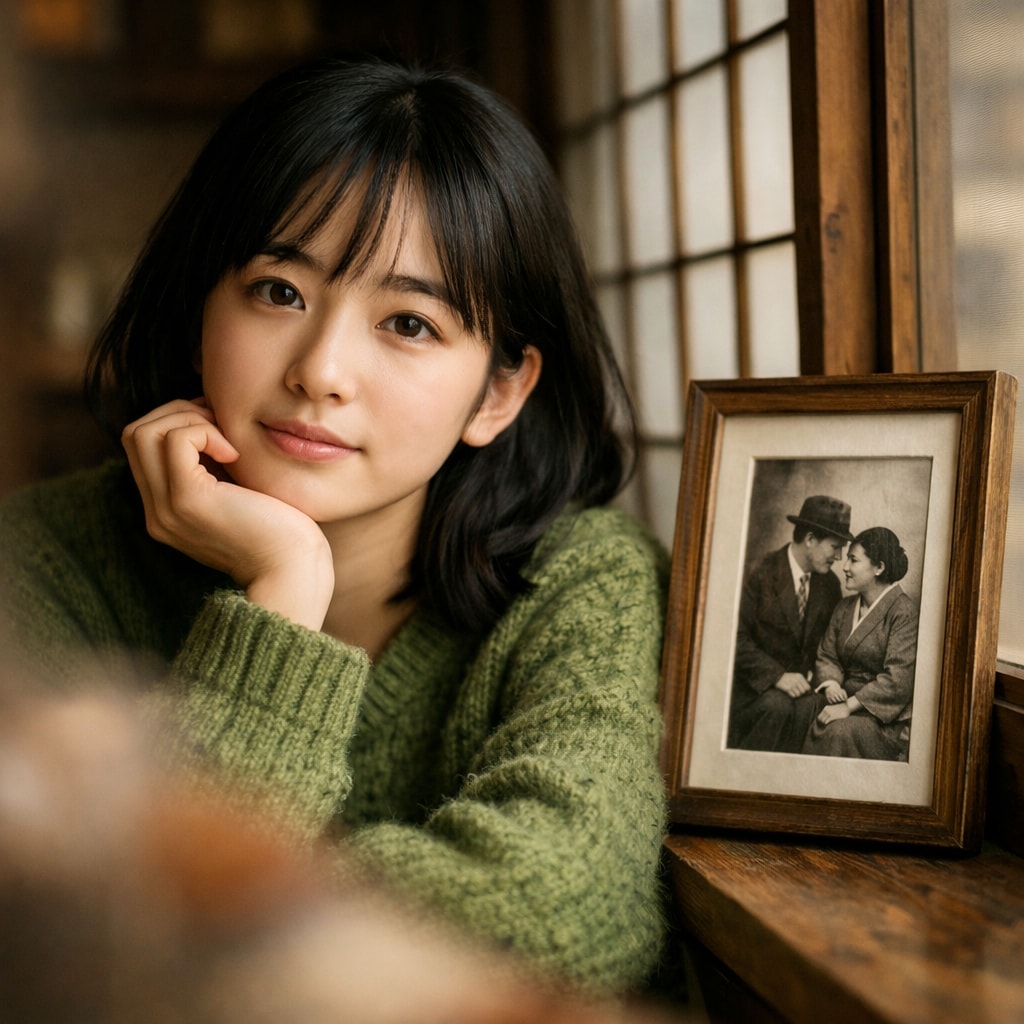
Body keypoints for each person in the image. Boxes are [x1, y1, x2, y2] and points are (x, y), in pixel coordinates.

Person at [0, 58, 669, 997]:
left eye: (409, 323)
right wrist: (285, 590)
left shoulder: (578, 581)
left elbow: (563, 907)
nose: (321, 370)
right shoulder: (36, 559)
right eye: (279, 291)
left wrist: (213, 895)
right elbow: (76, 940)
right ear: (199, 309)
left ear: (499, 392)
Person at [728, 495, 852, 752]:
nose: (839, 557)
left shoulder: (829, 585)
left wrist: (828, 682)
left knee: (815, 706)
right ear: (810, 539)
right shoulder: (759, 571)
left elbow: (829, 646)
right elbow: (732, 638)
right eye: (834, 547)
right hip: (751, 690)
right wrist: (777, 676)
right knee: (778, 706)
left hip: (800, 693)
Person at [802, 526, 918, 761]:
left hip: (880, 716)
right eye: (846, 559)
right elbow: (827, 655)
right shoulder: (845, 607)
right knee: (801, 710)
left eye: (853, 560)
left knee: (836, 731)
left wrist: (849, 706)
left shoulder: (903, 612)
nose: (844, 567)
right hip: (842, 696)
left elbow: (898, 680)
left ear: (879, 567)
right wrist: (831, 684)